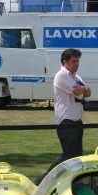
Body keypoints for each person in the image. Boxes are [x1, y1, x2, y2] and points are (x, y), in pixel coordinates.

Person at [35, 48, 91, 185]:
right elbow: (80, 94)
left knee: (76, 157)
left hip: (76, 122)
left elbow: (88, 93)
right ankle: (43, 180)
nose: (77, 64)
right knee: (68, 155)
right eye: (74, 61)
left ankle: (74, 182)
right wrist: (83, 89)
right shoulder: (62, 76)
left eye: (78, 61)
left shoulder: (76, 77)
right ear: (64, 62)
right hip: (66, 122)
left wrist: (83, 89)